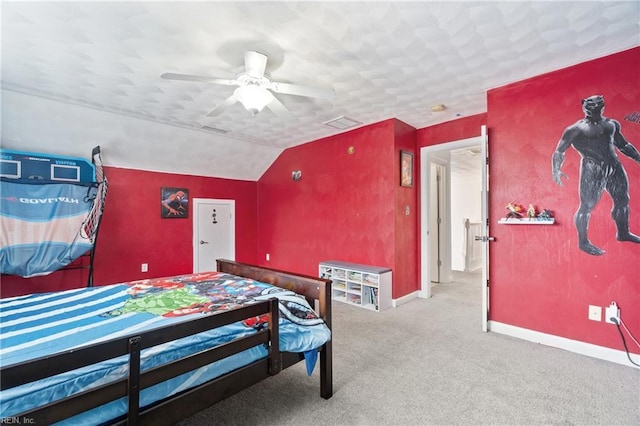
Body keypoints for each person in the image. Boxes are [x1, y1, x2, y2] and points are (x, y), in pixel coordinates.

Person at [552, 95, 640, 255]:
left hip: (614, 165)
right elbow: (560, 150)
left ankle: (623, 233)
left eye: (597, 105)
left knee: (623, 199)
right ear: (583, 105)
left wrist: (638, 158)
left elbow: (623, 144)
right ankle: (583, 242)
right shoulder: (575, 129)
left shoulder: (612, 124)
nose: (594, 108)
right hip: (592, 168)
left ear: (603, 106)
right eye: (590, 105)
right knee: (587, 206)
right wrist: (556, 170)